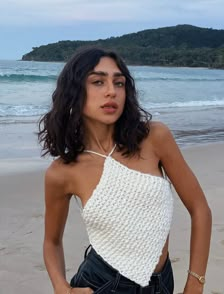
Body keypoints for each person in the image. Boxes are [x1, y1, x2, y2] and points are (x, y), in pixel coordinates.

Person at [38, 47, 212, 294]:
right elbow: (51, 242)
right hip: (103, 284)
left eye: (118, 83)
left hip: (162, 283)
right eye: (98, 82)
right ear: (74, 92)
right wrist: (61, 288)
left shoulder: (154, 137)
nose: (111, 91)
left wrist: (195, 283)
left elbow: (200, 209)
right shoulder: (62, 172)